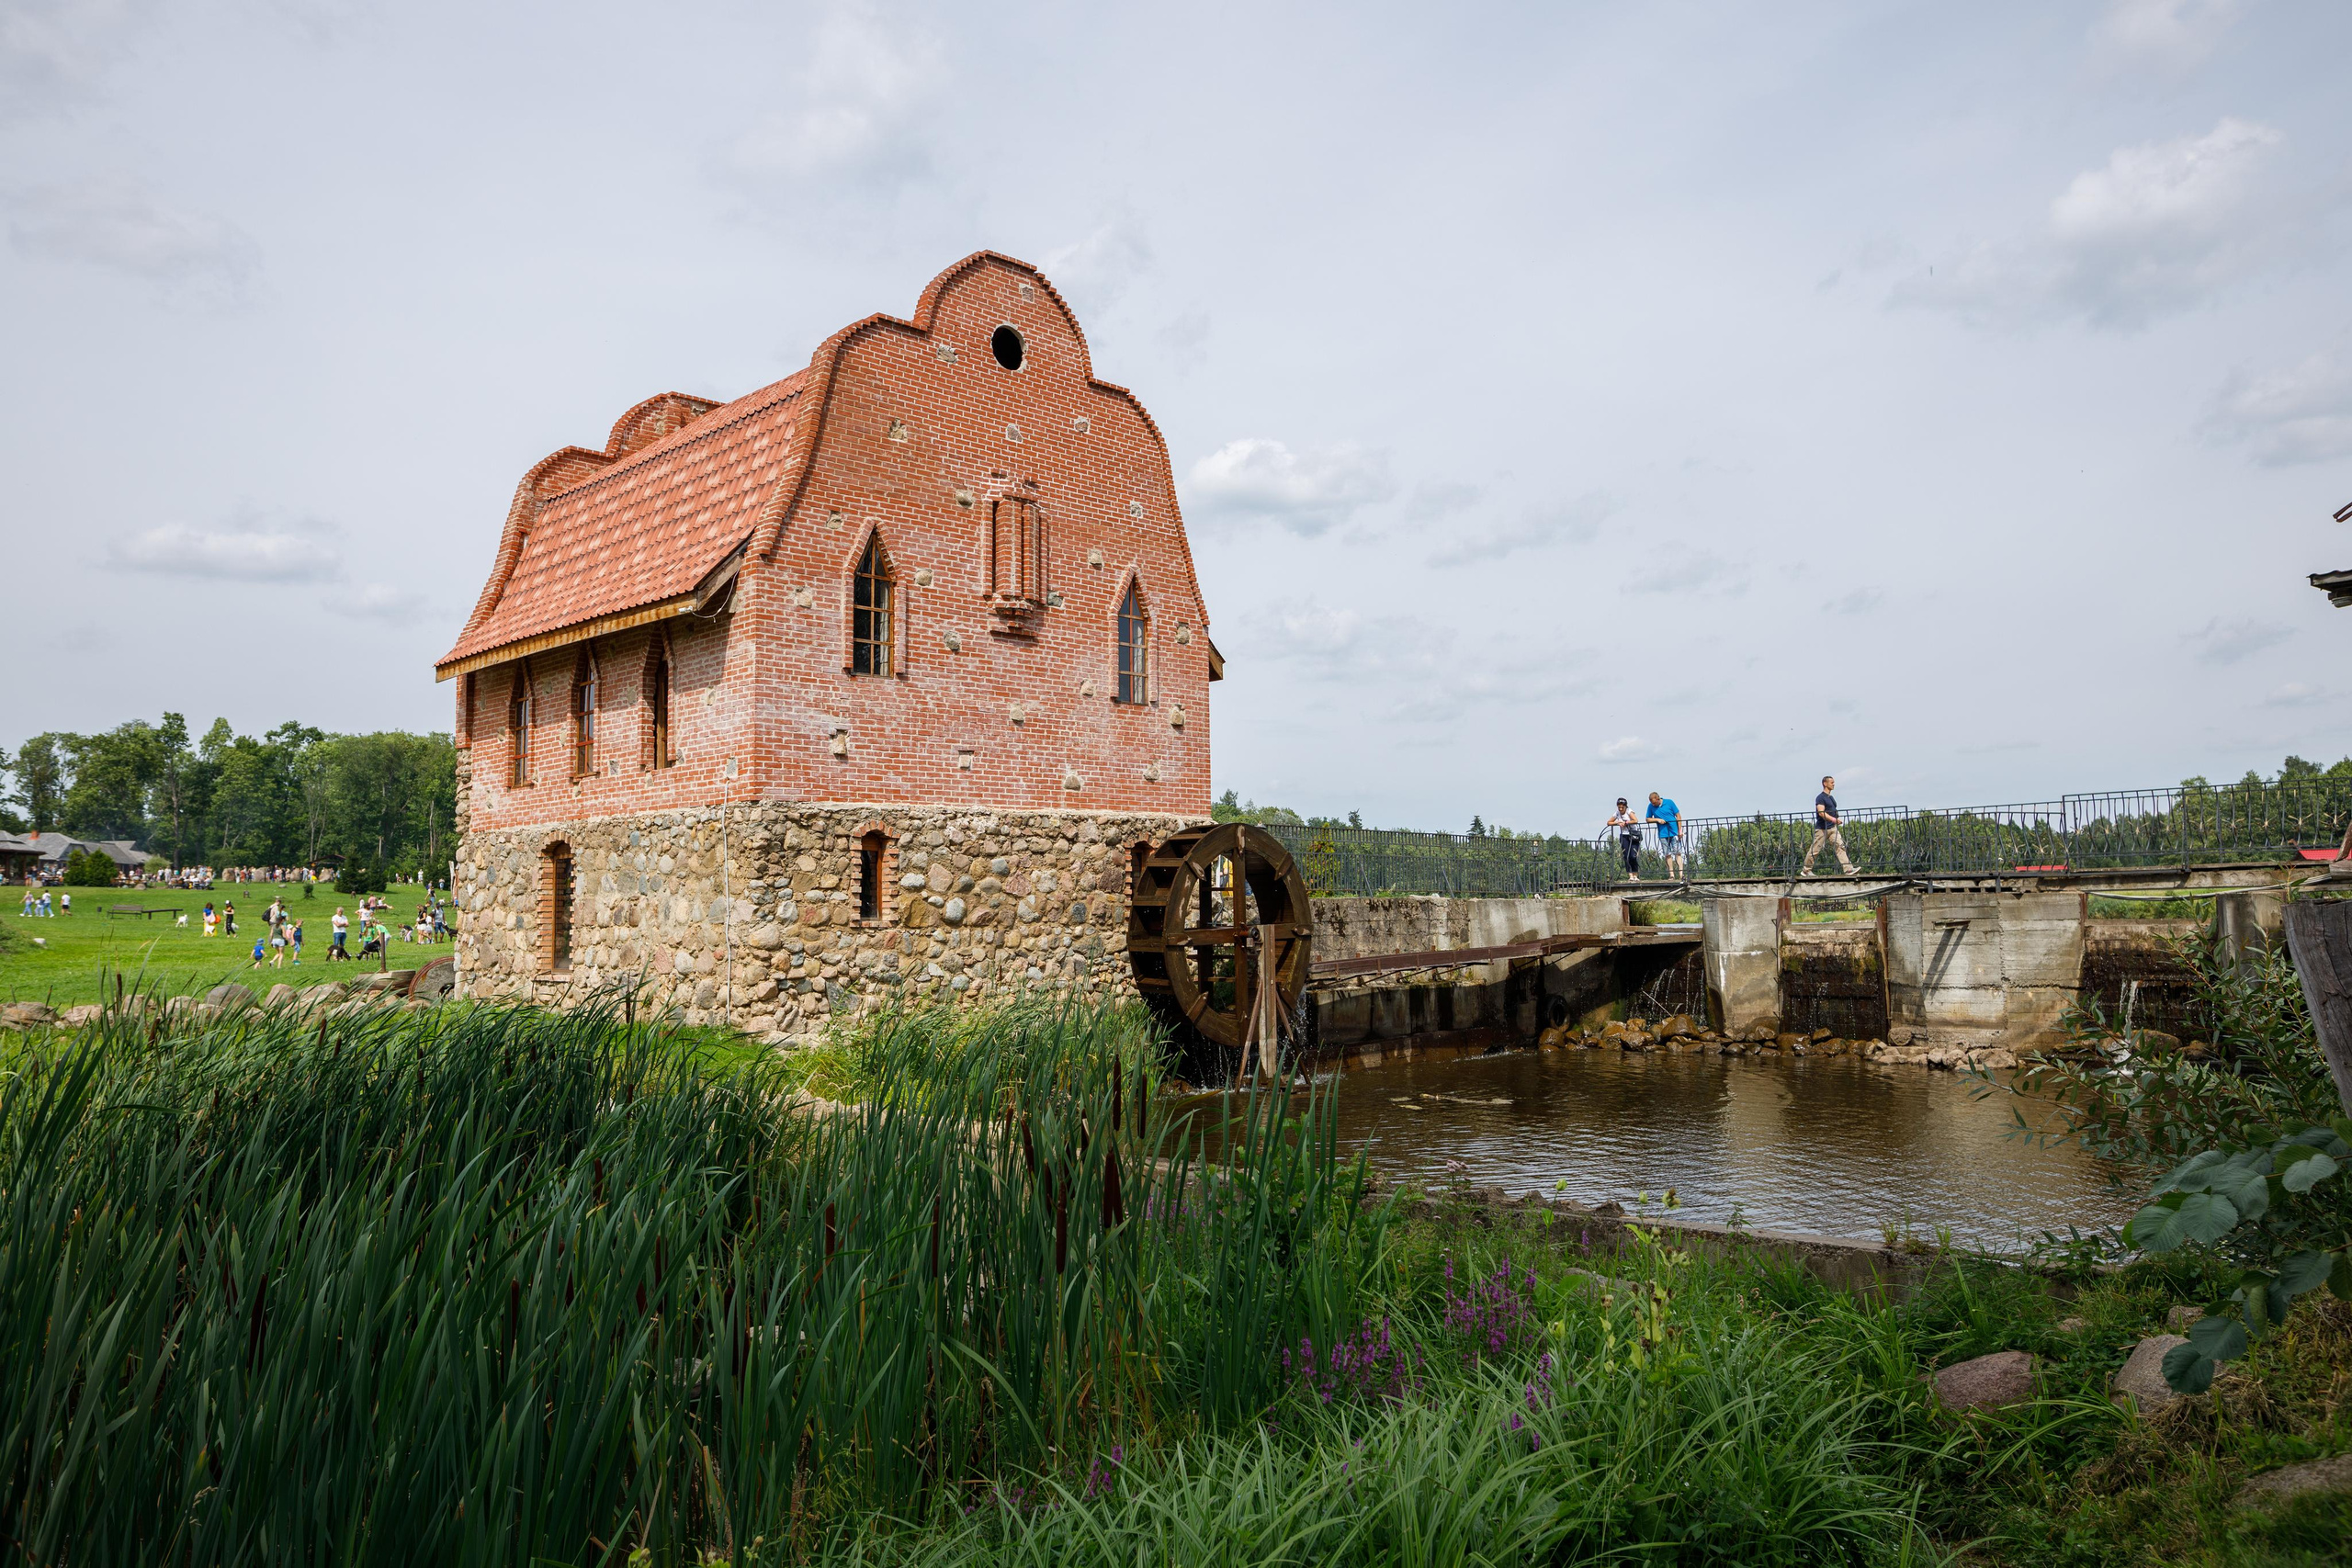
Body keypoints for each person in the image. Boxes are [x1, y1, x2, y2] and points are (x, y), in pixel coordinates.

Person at [1801, 773, 1858, 875]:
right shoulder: (1820, 797)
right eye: (1832, 783)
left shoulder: (1831, 798)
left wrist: (1835, 820)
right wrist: (1834, 819)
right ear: (1825, 784)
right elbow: (1821, 812)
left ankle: (1848, 869)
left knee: (1840, 846)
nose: (1834, 784)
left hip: (1832, 828)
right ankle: (1806, 870)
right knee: (1815, 849)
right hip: (1823, 828)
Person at [1645, 791, 1684, 879]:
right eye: (1652, 803)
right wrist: (1657, 820)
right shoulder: (1650, 806)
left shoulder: (1669, 802)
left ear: (1659, 799)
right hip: (1663, 833)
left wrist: (1680, 830)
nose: (1653, 805)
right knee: (1667, 854)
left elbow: (1678, 816)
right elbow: (1647, 819)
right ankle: (1672, 875)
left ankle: (1681, 875)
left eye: (1655, 803)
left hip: (1674, 832)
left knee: (1678, 852)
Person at [1605, 797, 1644, 881]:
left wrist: (1626, 823)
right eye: (1619, 807)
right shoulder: (1617, 813)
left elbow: (1635, 820)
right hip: (1624, 836)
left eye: (1622, 807)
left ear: (1626, 807)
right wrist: (1618, 823)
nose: (1621, 809)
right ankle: (1630, 875)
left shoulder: (1629, 811)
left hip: (1633, 835)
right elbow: (1608, 822)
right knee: (1626, 856)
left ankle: (1635, 874)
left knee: (1633, 856)